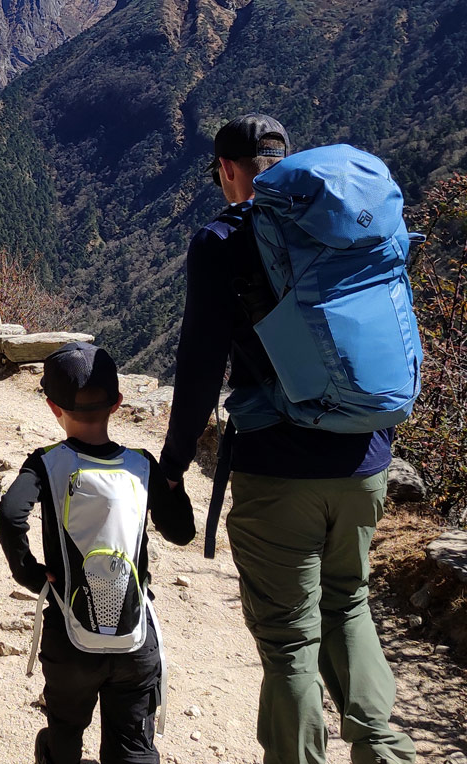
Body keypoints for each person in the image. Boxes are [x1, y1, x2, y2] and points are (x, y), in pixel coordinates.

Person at [158, 114, 416, 764]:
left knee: (290, 642)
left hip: (280, 470)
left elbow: (197, 369)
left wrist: (173, 466)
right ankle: (384, 749)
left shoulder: (224, 240)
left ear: (226, 171)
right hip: (367, 458)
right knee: (348, 604)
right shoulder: (343, 231)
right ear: (287, 162)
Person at [0, 342, 195, 764]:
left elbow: (11, 516)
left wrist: (32, 575)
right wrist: (173, 486)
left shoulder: (46, 462)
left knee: (65, 730)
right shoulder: (142, 464)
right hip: (134, 637)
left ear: (53, 407)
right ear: (118, 404)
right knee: (132, 746)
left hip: (70, 636)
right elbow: (181, 533)